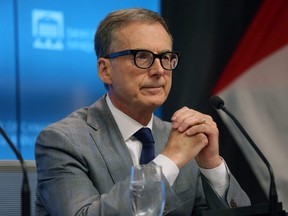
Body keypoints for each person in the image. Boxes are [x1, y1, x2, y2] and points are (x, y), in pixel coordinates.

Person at [35, 8, 250, 216]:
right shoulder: (62, 141)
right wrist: (169, 161)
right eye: (142, 56)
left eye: (166, 57)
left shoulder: (180, 137)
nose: (159, 70)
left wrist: (212, 166)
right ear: (105, 70)